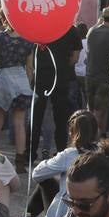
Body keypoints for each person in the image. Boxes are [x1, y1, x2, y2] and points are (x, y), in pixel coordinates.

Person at [28, 109, 109, 217]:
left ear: (72, 133)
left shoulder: (70, 156)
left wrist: (56, 162)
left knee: (48, 182)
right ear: (96, 131)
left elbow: (37, 174)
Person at [0, 8, 35, 170]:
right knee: (19, 123)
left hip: (1, 80)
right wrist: (28, 84)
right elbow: (29, 68)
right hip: (20, 81)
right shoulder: (28, 40)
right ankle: (20, 163)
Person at [30, 20, 81, 160]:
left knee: (36, 118)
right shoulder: (71, 30)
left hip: (41, 77)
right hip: (62, 78)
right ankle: (60, 153)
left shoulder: (39, 26)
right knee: (61, 119)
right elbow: (75, 58)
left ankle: (31, 153)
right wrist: (63, 66)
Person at [84, 6, 109, 134]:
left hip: (89, 75)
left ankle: (100, 134)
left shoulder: (92, 32)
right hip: (105, 77)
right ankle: (92, 137)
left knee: (91, 108)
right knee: (100, 111)